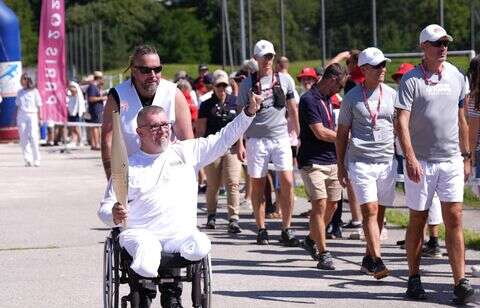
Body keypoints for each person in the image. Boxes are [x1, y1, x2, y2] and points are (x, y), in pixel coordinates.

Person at [98, 92, 261, 308]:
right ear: (140, 132)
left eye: (165, 125)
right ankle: (143, 291)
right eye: (154, 127)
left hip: (177, 236)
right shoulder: (129, 166)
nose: (162, 131)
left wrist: (248, 113)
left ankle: (171, 293)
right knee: (147, 258)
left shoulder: (185, 153)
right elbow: (105, 210)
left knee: (201, 245)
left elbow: (222, 138)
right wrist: (114, 214)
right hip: (141, 235)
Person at [395, 24, 475, 303]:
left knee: (454, 217)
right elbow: (401, 122)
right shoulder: (411, 79)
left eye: (445, 43)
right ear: (423, 47)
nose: (443, 47)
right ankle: (414, 278)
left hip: (451, 159)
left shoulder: (456, 75)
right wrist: (410, 157)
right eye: (436, 43)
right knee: (418, 217)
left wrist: (467, 156)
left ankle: (460, 281)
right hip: (422, 162)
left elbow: (462, 118)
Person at [337, 47, 396, 280]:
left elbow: (401, 128)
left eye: (384, 64)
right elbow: (342, 134)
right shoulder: (351, 97)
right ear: (364, 69)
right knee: (369, 210)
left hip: (386, 161)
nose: (383, 69)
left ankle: (368, 257)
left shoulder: (392, 94)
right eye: (377, 65)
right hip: (360, 162)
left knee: (379, 210)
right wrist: (341, 166)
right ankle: (379, 261)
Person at [236, 39, 300, 246]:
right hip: (256, 139)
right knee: (258, 184)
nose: (267, 61)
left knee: (288, 181)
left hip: (280, 136)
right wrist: (240, 143)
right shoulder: (247, 83)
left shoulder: (285, 79)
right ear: (255, 58)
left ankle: (286, 228)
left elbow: (293, 109)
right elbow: (239, 116)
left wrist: (298, 136)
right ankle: (261, 228)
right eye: (263, 57)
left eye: (270, 57)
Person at [101, 45, 194, 180]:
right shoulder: (117, 96)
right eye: (145, 70)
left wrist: (189, 177)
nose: (152, 75)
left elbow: (188, 142)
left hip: (169, 175)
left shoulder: (174, 94)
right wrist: (113, 181)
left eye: (157, 69)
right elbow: (107, 141)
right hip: (133, 175)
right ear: (133, 70)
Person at [298, 63, 347, 270]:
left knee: (333, 205)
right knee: (320, 203)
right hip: (312, 161)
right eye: (341, 85)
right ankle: (324, 252)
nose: (340, 90)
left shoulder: (330, 99)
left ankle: (310, 239)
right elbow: (320, 132)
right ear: (332, 80)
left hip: (331, 159)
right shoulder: (309, 99)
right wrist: (346, 139)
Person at [392, 63, 444, 257]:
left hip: (420, 152)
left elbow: (402, 124)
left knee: (427, 199)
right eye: (397, 78)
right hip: (412, 150)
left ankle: (434, 240)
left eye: (402, 77)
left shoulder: (421, 92)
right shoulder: (407, 93)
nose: (400, 81)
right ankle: (424, 239)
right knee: (418, 199)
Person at [196, 70, 243, 233]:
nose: (221, 89)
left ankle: (233, 217)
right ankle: (211, 215)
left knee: (233, 183)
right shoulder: (206, 105)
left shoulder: (235, 102)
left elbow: (240, 127)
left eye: (224, 85)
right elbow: (201, 129)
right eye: (218, 86)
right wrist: (200, 150)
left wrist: (241, 145)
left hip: (232, 147)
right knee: (213, 184)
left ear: (228, 86)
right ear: (214, 87)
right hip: (213, 148)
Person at [15, 73, 42, 167]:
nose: (22, 80)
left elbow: (39, 105)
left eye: (24, 78)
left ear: (28, 80)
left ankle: (37, 159)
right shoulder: (19, 92)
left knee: (34, 137)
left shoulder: (35, 91)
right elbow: (17, 106)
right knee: (23, 138)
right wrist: (16, 117)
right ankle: (27, 159)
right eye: (22, 78)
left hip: (32, 115)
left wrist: (40, 117)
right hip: (22, 115)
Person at [86, 71, 107, 150]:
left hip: (96, 109)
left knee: (95, 127)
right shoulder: (92, 87)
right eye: (102, 78)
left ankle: (95, 144)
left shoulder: (95, 87)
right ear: (99, 78)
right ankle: (96, 144)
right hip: (96, 110)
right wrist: (103, 98)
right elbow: (91, 98)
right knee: (96, 127)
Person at [67, 81, 86, 147]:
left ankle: (80, 140)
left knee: (76, 127)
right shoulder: (69, 93)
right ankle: (74, 140)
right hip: (71, 112)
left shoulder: (77, 94)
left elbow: (74, 91)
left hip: (77, 113)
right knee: (72, 127)